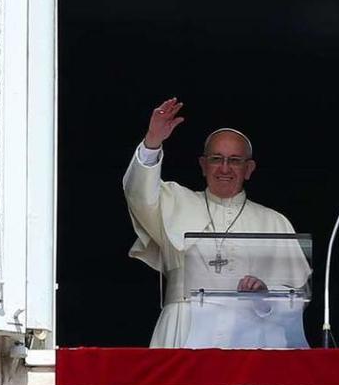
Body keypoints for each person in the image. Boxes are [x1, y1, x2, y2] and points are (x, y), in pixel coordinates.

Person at [123, 97, 310, 348]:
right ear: (203, 165)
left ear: (249, 169)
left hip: (252, 334)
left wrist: (266, 294)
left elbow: (294, 301)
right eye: (216, 159)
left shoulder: (274, 221)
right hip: (183, 327)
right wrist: (153, 141)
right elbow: (138, 194)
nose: (224, 168)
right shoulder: (174, 202)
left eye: (234, 160)